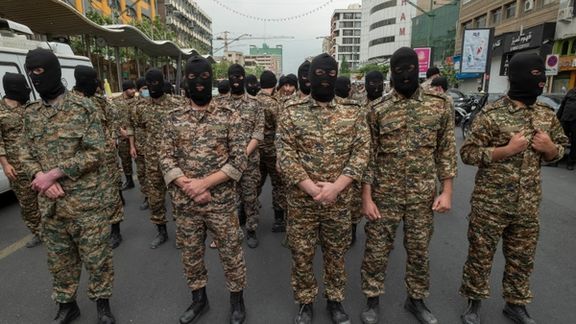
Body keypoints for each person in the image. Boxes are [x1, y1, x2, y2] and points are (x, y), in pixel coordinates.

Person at [459, 54, 568, 324]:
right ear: (518, 77)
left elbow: (562, 148)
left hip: (527, 204)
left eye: (541, 74)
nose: (540, 80)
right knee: (481, 255)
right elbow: (468, 153)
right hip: (490, 203)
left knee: (522, 258)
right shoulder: (492, 114)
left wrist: (551, 149)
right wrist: (505, 151)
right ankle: (474, 302)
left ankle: (516, 303)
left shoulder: (546, 115)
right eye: (534, 74)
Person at [360, 47, 457, 324]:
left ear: (420, 69)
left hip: (422, 196)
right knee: (377, 250)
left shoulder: (439, 105)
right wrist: (366, 198)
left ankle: (416, 300)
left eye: (410, 69)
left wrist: (447, 191)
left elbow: (446, 151)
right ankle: (372, 299)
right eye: (399, 70)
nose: (405, 75)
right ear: (392, 72)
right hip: (384, 194)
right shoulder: (378, 109)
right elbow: (368, 157)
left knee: (419, 251)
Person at [20, 48, 115, 324]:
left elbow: (96, 152)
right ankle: (67, 305)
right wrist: (41, 177)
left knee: (97, 258)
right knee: (59, 262)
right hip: (51, 205)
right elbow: (24, 153)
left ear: (53, 71)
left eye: (39, 71)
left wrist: (55, 174)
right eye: (31, 72)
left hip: (86, 203)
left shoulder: (83, 107)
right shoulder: (31, 113)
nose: (35, 78)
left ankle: (103, 306)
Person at [277, 53, 370, 324]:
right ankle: (305, 301)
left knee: (336, 253)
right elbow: (285, 155)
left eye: (331, 74)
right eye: (319, 74)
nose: (325, 79)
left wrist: (336, 188)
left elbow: (362, 152)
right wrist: (313, 190)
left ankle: (335, 300)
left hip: (338, 202)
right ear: (309, 77)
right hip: (302, 201)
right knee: (302, 254)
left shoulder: (352, 112)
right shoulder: (291, 112)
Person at [160, 55, 248, 324]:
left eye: (204, 77)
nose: (199, 83)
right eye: (193, 78)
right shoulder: (172, 118)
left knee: (231, 252)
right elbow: (164, 157)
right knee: (191, 254)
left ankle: (237, 300)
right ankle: (199, 300)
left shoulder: (230, 116)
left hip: (221, 201)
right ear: (185, 79)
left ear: (212, 79)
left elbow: (239, 160)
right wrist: (188, 186)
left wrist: (205, 184)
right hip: (186, 203)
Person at [73, 65, 125, 250]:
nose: (96, 84)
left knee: (110, 192)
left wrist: (112, 138)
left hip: (105, 157)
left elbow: (113, 119)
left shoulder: (100, 102)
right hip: (80, 158)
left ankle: (115, 229)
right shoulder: (68, 103)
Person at [132, 69, 183, 249]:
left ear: (162, 83)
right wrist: (139, 147)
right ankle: (161, 231)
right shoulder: (140, 107)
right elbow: (139, 128)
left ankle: (182, 233)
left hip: (174, 160)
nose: (152, 87)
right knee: (155, 199)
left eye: (156, 83)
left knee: (178, 197)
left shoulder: (177, 104)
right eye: (149, 84)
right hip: (152, 160)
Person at [0, 72, 41, 248]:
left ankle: (55, 229)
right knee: (27, 203)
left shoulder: (30, 107)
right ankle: (38, 231)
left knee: (46, 197)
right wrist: (5, 164)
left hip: (37, 162)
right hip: (16, 166)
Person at [227, 64, 265, 248]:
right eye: (232, 77)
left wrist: (243, 154)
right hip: (227, 163)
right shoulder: (219, 104)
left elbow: (258, 133)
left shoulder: (255, 104)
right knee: (229, 198)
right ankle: (232, 231)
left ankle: (251, 229)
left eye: (239, 77)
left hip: (249, 161)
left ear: (244, 78)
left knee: (250, 196)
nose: (236, 80)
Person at [256, 70, 286, 232]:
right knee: (278, 185)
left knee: (254, 184)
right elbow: (280, 130)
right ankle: (279, 220)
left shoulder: (252, 102)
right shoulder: (274, 104)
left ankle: (246, 214)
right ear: (274, 85)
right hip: (272, 151)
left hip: (255, 151)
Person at [129, 77, 150, 211]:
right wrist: (132, 146)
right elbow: (130, 127)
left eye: (147, 88)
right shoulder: (133, 107)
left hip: (158, 147)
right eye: (144, 89)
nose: (147, 91)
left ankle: (158, 197)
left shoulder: (157, 103)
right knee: (142, 174)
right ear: (138, 90)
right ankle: (147, 197)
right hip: (140, 146)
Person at [113, 80, 137, 190]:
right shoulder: (115, 102)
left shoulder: (137, 101)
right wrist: (119, 131)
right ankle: (129, 181)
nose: (133, 91)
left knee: (140, 160)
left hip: (136, 136)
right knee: (125, 159)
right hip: (122, 136)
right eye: (131, 89)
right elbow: (112, 119)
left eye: (134, 88)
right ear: (125, 89)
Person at [556, 84, 576, 170]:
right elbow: (562, 106)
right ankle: (556, 159)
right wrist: (557, 118)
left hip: (575, 122)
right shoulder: (570, 92)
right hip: (565, 120)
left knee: (575, 143)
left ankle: (571, 162)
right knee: (561, 140)